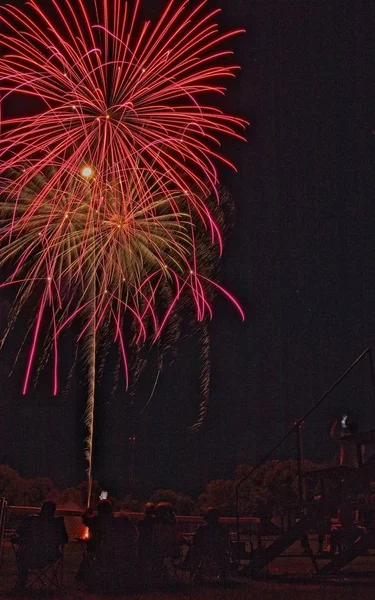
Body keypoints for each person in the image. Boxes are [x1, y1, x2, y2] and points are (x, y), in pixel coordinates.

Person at [13, 500, 68, 590]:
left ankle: (21, 583)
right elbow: (65, 540)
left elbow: (19, 534)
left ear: (42, 509)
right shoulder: (58, 523)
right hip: (51, 556)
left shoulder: (30, 520)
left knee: (20, 553)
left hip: (29, 556)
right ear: (54, 511)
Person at [76, 499, 114, 581]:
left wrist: (88, 511)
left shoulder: (94, 520)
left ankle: (81, 577)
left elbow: (84, 518)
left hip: (93, 549)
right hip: (109, 549)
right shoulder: (113, 521)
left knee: (88, 556)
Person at [188, 507, 229, 580]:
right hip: (218, 551)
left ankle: (193, 570)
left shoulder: (203, 528)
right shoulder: (222, 528)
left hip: (204, 551)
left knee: (194, 549)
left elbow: (195, 540)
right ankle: (222, 573)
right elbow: (227, 541)